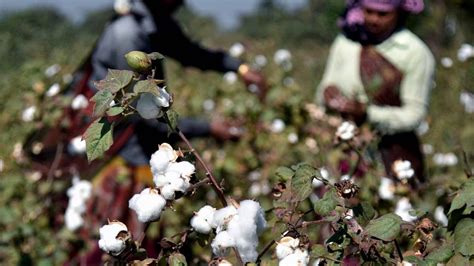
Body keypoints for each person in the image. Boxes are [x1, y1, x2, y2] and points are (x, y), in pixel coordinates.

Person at [63, 0, 267, 263]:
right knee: (114, 248)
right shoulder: (128, 34)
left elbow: (190, 53)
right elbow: (146, 116)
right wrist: (209, 128)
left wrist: (239, 68)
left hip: (139, 153)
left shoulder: (155, 22)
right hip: (122, 157)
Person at [316, 0, 435, 185]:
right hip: (343, 150)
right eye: (369, 11)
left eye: (383, 14)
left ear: (399, 13)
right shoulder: (345, 41)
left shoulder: (415, 52)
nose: (374, 19)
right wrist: (327, 94)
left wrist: (367, 113)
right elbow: (324, 88)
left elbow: (415, 115)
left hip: (393, 154)